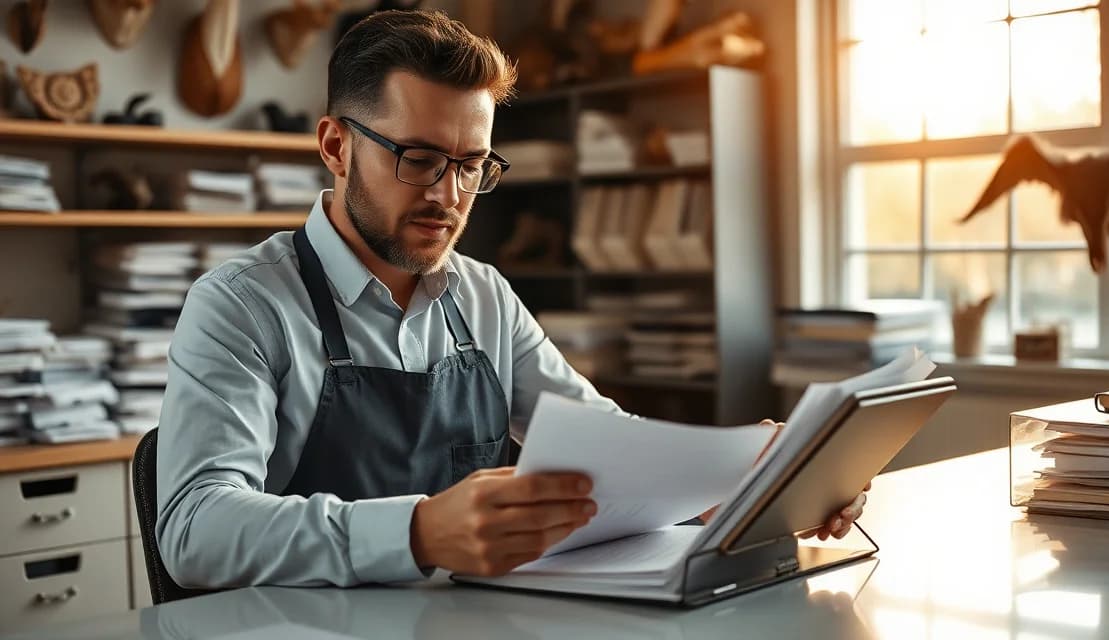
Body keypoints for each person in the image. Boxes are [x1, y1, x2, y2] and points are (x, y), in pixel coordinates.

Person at [155, 9, 869, 588]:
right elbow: (194, 529)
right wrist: (419, 532)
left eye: (471, 165)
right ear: (336, 147)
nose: (448, 196)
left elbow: (610, 448)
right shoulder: (241, 306)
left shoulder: (484, 296)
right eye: (419, 159)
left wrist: (754, 484)